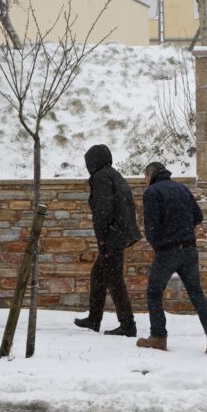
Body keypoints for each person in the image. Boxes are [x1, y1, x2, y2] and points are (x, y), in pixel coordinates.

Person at [136, 162, 207, 355]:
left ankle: (158, 337)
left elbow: (150, 227)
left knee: (154, 292)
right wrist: (182, 229)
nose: (145, 181)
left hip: (168, 251)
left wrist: (160, 244)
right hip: (189, 249)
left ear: (150, 175)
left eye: (145, 177)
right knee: (196, 293)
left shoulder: (152, 193)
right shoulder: (182, 189)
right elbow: (198, 216)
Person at [74, 144, 140, 337]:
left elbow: (103, 210)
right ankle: (94, 318)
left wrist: (102, 238)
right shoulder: (113, 174)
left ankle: (128, 324)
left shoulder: (101, 177)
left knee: (115, 281)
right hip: (118, 235)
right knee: (98, 276)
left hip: (111, 238)